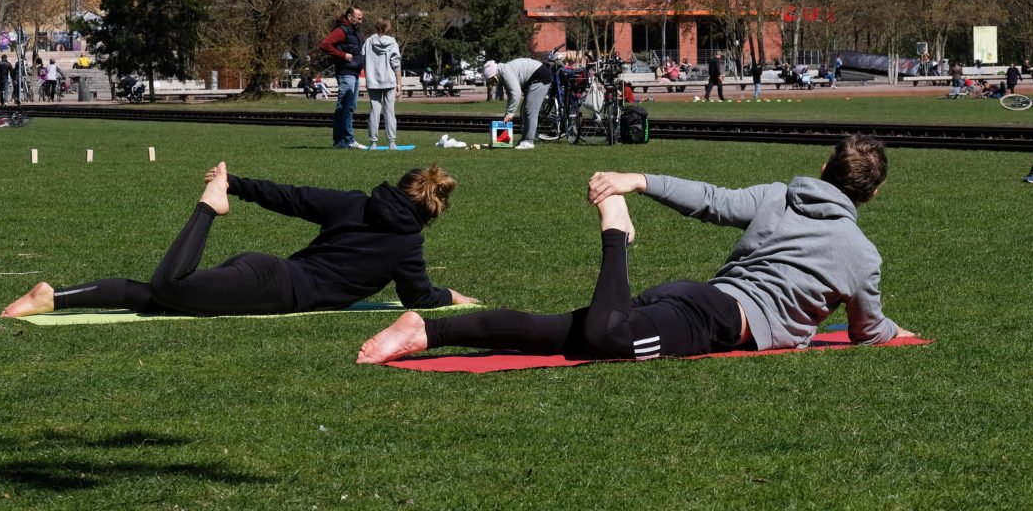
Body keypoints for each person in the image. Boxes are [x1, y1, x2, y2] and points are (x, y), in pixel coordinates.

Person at [358, 136, 913, 365]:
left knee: (562, 334)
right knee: (607, 337)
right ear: (874, 193)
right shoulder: (860, 253)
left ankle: (427, 331)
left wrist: (641, 176)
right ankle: (616, 235)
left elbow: (711, 200)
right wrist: (897, 334)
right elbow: (867, 330)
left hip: (698, 300)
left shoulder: (778, 195)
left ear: (823, 169)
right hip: (713, 320)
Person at [1, 163, 477, 319]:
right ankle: (209, 208)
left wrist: (241, 182)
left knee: (160, 301)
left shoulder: (356, 202)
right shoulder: (407, 245)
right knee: (171, 287)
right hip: (272, 287)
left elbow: (289, 197)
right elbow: (417, 296)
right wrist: (453, 296)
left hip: (266, 272)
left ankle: (53, 297)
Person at [321, 7, 367, 149]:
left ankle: (347, 139)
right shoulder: (341, 31)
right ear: (349, 16)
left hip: (354, 73)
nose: (361, 21)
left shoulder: (354, 31)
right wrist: (343, 55)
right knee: (344, 106)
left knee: (350, 107)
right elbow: (325, 45)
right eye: (358, 18)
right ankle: (342, 140)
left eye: (361, 18)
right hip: (346, 72)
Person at [364, 17, 404, 150]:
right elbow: (396, 64)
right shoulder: (392, 43)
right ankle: (392, 142)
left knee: (374, 111)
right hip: (389, 80)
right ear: (388, 28)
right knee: (390, 112)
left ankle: (373, 143)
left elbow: (363, 57)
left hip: (373, 81)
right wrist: (399, 83)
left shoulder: (369, 41)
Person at [498, 56, 552, 150]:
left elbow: (516, 93)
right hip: (535, 78)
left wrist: (510, 113)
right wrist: (508, 113)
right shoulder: (502, 71)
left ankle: (528, 141)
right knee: (525, 111)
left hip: (540, 78)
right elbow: (511, 96)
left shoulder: (505, 73)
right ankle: (524, 139)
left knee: (530, 110)